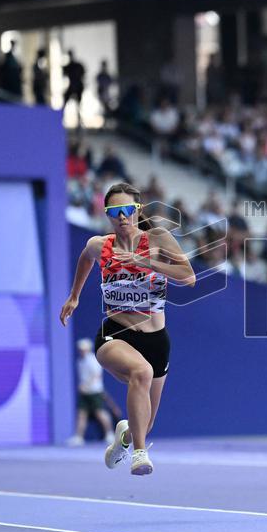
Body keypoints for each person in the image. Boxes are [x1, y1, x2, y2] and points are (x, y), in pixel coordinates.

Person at [60, 182, 195, 475]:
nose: (121, 217)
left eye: (127, 210)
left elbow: (189, 277)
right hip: (115, 333)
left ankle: (126, 438)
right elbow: (85, 258)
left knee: (144, 424)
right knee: (141, 372)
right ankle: (139, 454)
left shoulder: (157, 238)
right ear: (108, 214)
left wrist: (145, 262)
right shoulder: (101, 245)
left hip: (156, 340)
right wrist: (74, 296)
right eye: (114, 211)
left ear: (138, 210)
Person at [66, 339, 122, 446]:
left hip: (95, 391)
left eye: (83, 349)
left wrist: (86, 385)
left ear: (88, 349)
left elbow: (96, 375)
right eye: (80, 349)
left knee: (100, 413)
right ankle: (79, 437)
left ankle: (109, 434)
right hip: (84, 393)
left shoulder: (92, 360)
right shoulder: (80, 361)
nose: (81, 351)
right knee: (81, 414)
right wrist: (83, 387)